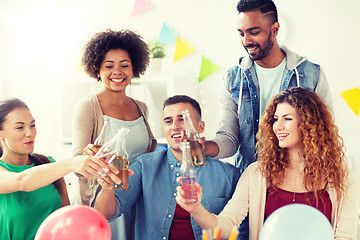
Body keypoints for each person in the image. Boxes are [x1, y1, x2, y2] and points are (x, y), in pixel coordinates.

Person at [177, 87, 359, 240]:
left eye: (287, 119)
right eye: (275, 119)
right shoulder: (257, 173)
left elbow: (345, 236)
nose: (277, 126)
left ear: (309, 124)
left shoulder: (342, 176)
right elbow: (224, 227)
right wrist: (195, 208)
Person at [204, 0, 332, 174]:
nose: (246, 41)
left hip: (299, 180)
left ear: (275, 29)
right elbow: (229, 138)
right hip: (249, 179)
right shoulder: (232, 79)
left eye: (254, 32)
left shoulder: (311, 74)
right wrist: (203, 147)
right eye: (241, 33)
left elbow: (323, 135)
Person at [90, 95, 240, 240]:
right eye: (168, 121)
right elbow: (106, 214)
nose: (174, 126)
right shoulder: (144, 166)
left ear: (200, 127)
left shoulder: (229, 174)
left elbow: (241, 232)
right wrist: (107, 188)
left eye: (182, 119)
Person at [72, 29, 157, 239]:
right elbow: (76, 163)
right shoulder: (88, 106)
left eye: (124, 65)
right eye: (108, 66)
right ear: (97, 69)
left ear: (134, 68)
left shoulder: (142, 107)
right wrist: (88, 156)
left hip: (136, 200)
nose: (117, 72)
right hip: (101, 201)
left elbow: (147, 155)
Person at [0, 98, 110, 240]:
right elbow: (22, 181)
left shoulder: (48, 163)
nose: (30, 133)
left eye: (33, 125)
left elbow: (67, 221)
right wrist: (71, 163)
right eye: (20, 127)